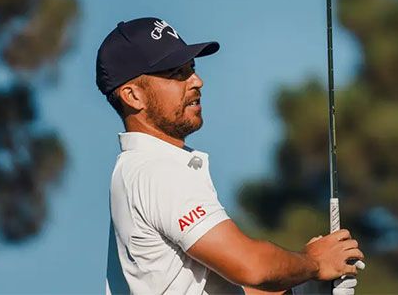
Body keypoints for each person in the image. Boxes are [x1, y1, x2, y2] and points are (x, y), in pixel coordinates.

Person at [98, 17, 364, 295]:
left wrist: (305, 282)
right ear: (133, 96)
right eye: (176, 73)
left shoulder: (140, 169)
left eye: (192, 68)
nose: (197, 81)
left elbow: (233, 286)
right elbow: (251, 266)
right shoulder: (157, 170)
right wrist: (314, 262)